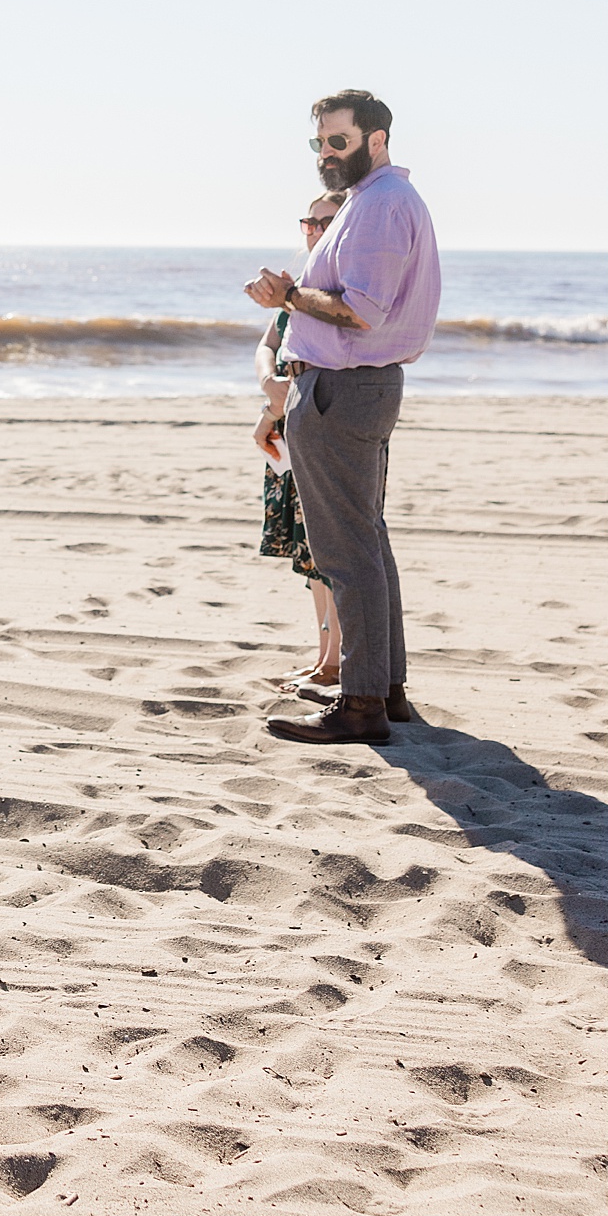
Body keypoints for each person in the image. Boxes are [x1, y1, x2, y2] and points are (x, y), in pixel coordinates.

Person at [244, 90, 441, 745]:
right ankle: (385, 692)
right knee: (366, 543)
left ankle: (361, 706)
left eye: (339, 142)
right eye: (320, 144)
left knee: (347, 553)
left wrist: (288, 296)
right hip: (351, 388)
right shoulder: (374, 201)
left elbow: (362, 312)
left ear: (375, 140)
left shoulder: (381, 204)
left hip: (342, 391)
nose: (327, 155)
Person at [253, 190, 347, 697]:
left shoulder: (332, 289)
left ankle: (336, 662)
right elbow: (269, 345)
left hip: (319, 420)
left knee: (331, 550)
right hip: (290, 425)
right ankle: (323, 657)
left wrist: (273, 407)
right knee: (310, 556)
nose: (313, 230)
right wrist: (268, 386)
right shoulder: (300, 285)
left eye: (325, 221)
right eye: (308, 221)